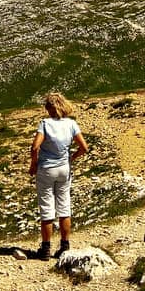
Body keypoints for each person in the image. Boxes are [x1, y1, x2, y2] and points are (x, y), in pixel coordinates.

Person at [28, 92, 88, 259]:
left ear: (49, 108)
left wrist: (33, 165)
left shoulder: (45, 124)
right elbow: (84, 147)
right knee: (64, 206)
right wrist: (71, 158)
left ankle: (46, 249)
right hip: (64, 169)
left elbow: (34, 148)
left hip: (46, 169)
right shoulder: (71, 124)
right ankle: (64, 245)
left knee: (47, 208)